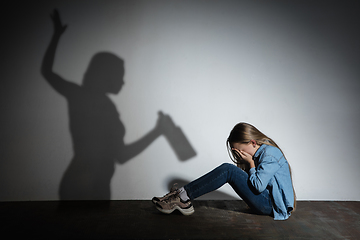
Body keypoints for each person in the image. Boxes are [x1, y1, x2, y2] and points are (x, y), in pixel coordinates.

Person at [153, 122, 296, 220]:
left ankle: (183, 197)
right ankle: (181, 195)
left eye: (239, 149)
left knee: (228, 170)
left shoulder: (270, 154)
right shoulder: (263, 152)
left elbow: (258, 186)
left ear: (252, 143)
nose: (239, 153)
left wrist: (251, 163)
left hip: (269, 205)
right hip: (266, 201)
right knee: (229, 170)